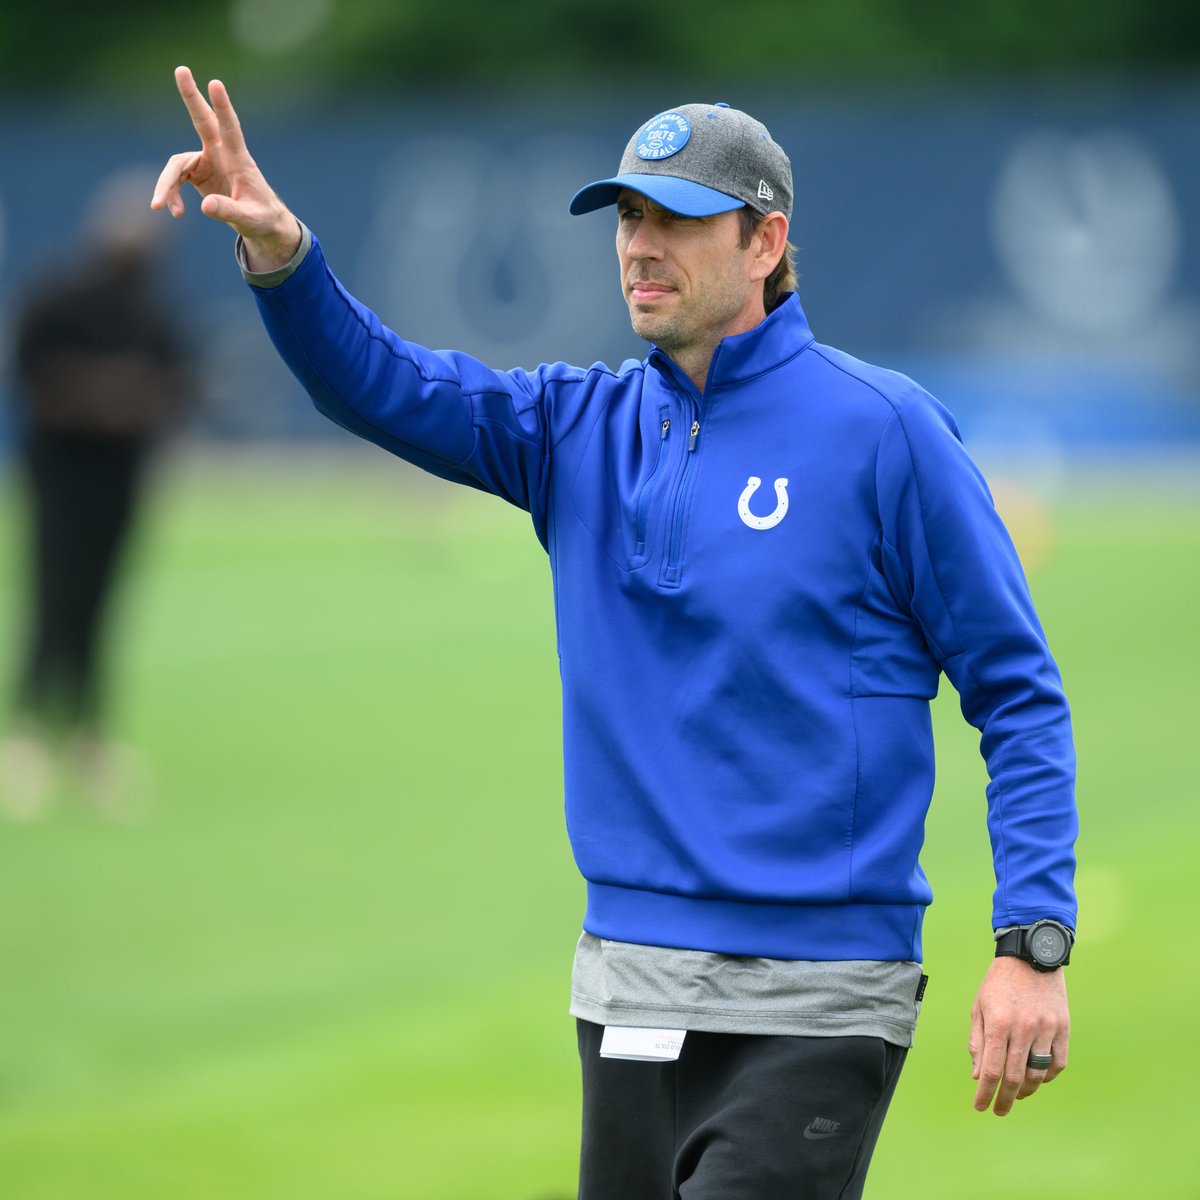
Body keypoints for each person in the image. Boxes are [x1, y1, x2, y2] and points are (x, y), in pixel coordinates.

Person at [152, 67, 1078, 1199]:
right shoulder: (573, 427)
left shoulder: (885, 432)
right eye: (630, 216)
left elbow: (1017, 690)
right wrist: (284, 257)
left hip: (819, 995)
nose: (641, 244)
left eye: (679, 219)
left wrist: (1032, 941)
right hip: (625, 988)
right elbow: (384, 386)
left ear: (765, 239)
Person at [1, 169, 189, 819]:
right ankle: (26, 732)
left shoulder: (150, 316)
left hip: (120, 479)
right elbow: (36, 379)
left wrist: (130, 400)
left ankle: (88, 736)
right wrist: (104, 397)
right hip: (61, 474)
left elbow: (174, 387)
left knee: (102, 602)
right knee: (55, 595)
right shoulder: (57, 303)